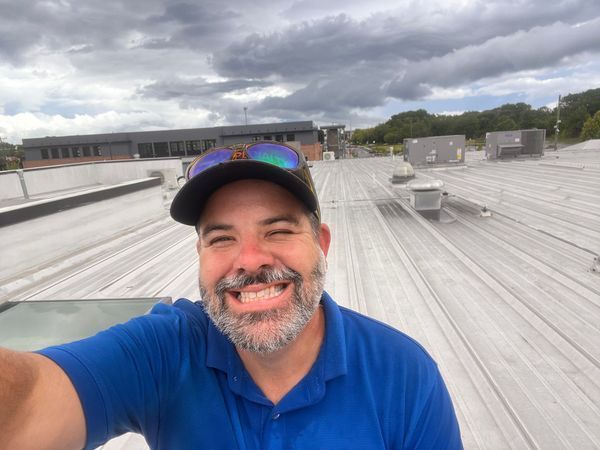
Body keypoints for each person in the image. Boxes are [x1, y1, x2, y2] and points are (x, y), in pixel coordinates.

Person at [0, 141, 462, 449]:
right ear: (200, 252)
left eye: (277, 230)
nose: (250, 259)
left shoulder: (403, 374)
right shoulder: (166, 352)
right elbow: (30, 401)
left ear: (321, 243)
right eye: (221, 239)